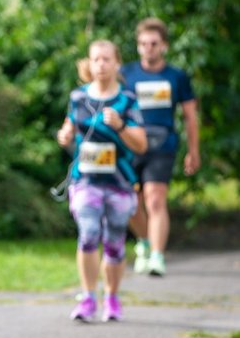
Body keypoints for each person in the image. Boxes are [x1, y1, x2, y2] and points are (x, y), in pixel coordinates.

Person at [57, 40, 147, 321]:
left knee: (114, 242)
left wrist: (120, 126)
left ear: (117, 63)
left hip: (120, 182)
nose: (101, 65)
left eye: (107, 59)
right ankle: (87, 298)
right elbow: (69, 128)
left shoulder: (128, 100)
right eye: (96, 59)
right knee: (88, 234)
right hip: (86, 180)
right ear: (90, 63)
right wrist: (64, 136)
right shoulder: (78, 97)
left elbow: (141, 144)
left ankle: (112, 297)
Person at [120, 17, 201, 276]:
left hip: (162, 145)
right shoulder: (126, 74)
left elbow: (190, 116)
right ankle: (144, 242)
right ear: (138, 46)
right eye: (143, 44)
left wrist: (193, 151)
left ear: (164, 45)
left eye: (154, 43)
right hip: (131, 145)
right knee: (131, 203)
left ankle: (157, 256)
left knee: (155, 199)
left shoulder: (176, 76)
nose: (148, 48)